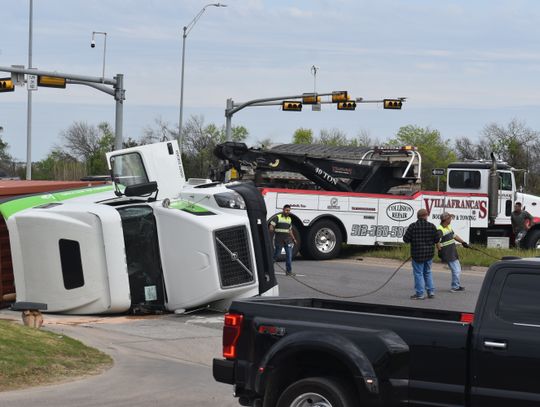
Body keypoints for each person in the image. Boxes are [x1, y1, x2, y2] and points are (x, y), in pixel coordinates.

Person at [403, 208, 440, 300]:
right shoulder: (431, 226)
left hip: (417, 254)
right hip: (429, 254)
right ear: (426, 216)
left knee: (418, 273)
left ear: (418, 216)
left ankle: (420, 294)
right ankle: (431, 292)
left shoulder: (413, 226)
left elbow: (406, 240)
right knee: (427, 272)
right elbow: (437, 240)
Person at [436, 212, 470, 292]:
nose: (451, 219)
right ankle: (455, 287)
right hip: (447, 253)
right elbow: (437, 241)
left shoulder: (448, 227)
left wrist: (463, 242)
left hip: (452, 251)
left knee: (458, 269)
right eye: (450, 218)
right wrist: (439, 251)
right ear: (446, 220)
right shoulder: (440, 230)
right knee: (456, 270)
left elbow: (454, 236)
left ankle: (456, 285)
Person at [269, 204, 297, 276]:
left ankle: (288, 271)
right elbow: (271, 226)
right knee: (276, 255)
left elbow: (290, 230)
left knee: (289, 256)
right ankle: (268, 269)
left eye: (289, 211)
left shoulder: (289, 219)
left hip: (287, 239)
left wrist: (294, 239)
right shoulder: (277, 217)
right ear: (283, 210)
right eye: (286, 210)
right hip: (279, 239)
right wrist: (272, 230)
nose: (288, 212)